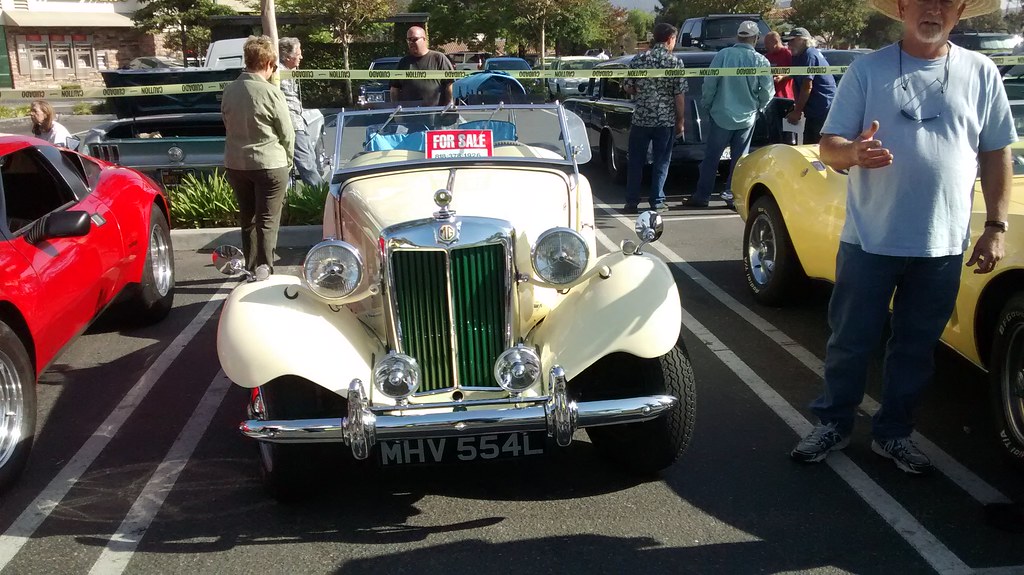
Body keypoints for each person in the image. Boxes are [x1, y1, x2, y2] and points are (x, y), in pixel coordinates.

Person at [790, 0, 1015, 475]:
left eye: (945, 2)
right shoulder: (867, 71)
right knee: (851, 340)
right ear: (902, 8)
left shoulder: (981, 71)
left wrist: (995, 226)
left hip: (943, 244)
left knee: (916, 348)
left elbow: (997, 153)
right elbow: (829, 147)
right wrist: (853, 151)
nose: (933, 9)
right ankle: (833, 422)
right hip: (870, 239)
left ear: (958, 13)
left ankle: (893, 434)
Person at [222, 35, 295, 274]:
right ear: (267, 64)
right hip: (269, 163)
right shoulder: (271, 93)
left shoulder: (230, 90)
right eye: (273, 65)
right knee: (267, 221)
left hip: (237, 164)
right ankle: (265, 268)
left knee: (248, 220)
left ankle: (251, 269)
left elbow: (227, 123)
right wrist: (289, 160)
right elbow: (287, 132)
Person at [686, 21, 774, 210]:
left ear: (737, 37)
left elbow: (710, 83)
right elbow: (767, 91)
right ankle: (732, 197)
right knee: (739, 161)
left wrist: (707, 104)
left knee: (711, 158)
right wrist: (759, 107)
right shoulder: (761, 61)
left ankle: (702, 196)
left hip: (721, 115)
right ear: (756, 38)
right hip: (747, 117)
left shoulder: (723, 56)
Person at [621, 22, 686, 214]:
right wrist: (681, 121)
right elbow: (679, 96)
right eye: (674, 39)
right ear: (669, 40)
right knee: (661, 161)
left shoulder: (638, 60)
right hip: (664, 121)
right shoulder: (675, 62)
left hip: (641, 119)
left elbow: (627, 86)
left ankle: (632, 201)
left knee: (636, 161)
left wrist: (639, 90)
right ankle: (657, 200)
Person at [278, 37, 322, 187]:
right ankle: (320, 196)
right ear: (288, 56)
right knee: (307, 163)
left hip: (297, 120)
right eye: (298, 54)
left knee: (310, 158)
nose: (301, 57)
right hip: (292, 123)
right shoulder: (279, 73)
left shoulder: (289, 72)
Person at [785, 27, 835, 145]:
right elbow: (796, 79)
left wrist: (797, 111)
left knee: (815, 145)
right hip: (813, 107)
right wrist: (798, 106)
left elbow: (807, 85)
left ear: (802, 40)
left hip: (822, 107)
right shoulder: (798, 56)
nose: (789, 44)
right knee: (809, 142)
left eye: (792, 40)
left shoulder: (809, 55)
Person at [389, 26, 455, 107]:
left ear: (424, 39)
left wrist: (450, 106)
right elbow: (394, 89)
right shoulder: (404, 62)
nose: (411, 43)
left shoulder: (438, 58)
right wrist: (396, 110)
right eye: (408, 40)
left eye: (414, 39)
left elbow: (449, 84)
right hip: (410, 114)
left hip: (435, 114)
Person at [765, 31, 795, 100]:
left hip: (785, 96)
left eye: (767, 43)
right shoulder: (767, 56)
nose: (765, 46)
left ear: (775, 42)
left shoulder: (788, 54)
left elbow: (796, 73)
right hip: (771, 96)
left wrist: (783, 77)